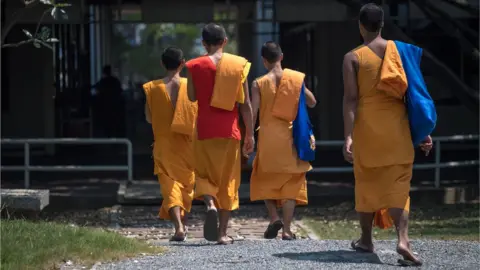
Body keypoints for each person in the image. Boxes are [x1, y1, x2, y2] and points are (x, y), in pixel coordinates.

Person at [342, 3, 432, 266]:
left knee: (367, 183)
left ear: (360, 25)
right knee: (399, 186)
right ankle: (402, 239)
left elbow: (350, 99)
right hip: (398, 127)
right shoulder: (400, 52)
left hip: (367, 129)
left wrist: (348, 135)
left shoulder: (353, 57)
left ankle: (367, 240)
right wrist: (422, 131)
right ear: (382, 25)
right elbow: (414, 94)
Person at [186, 23, 254, 245]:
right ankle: (223, 234)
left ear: (204, 43)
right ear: (224, 41)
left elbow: (192, 97)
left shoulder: (195, 65)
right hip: (229, 131)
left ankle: (210, 204)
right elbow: (245, 105)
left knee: (203, 174)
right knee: (228, 181)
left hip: (204, 129)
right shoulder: (237, 65)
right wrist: (250, 134)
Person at [250, 41, 316, 240]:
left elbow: (253, 113)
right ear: (281, 56)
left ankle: (273, 217)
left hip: (269, 139)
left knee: (263, 179)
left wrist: (248, 137)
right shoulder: (296, 79)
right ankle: (287, 230)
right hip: (292, 139)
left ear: (263, 61)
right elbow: (312, 102)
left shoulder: (258, 83)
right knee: (291, 183)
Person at [143, 47, 197, 242]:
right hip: (187, 144)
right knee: (186, 186)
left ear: (162, 64)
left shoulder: (152, 88)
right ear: (183, 63)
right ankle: (184, 224)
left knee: (169, 185)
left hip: (164, 144)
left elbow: (149, 118)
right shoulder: (190, 85)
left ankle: (179, 227)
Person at [93, 65, 124, 138]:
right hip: (115, 106)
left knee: (107, 125)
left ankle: (108, 138)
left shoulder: (102, 82)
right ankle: (115, 139)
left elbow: (96, 91)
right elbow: (120, 91)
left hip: (104, 107)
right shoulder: (115, 81)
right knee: (114, 124)